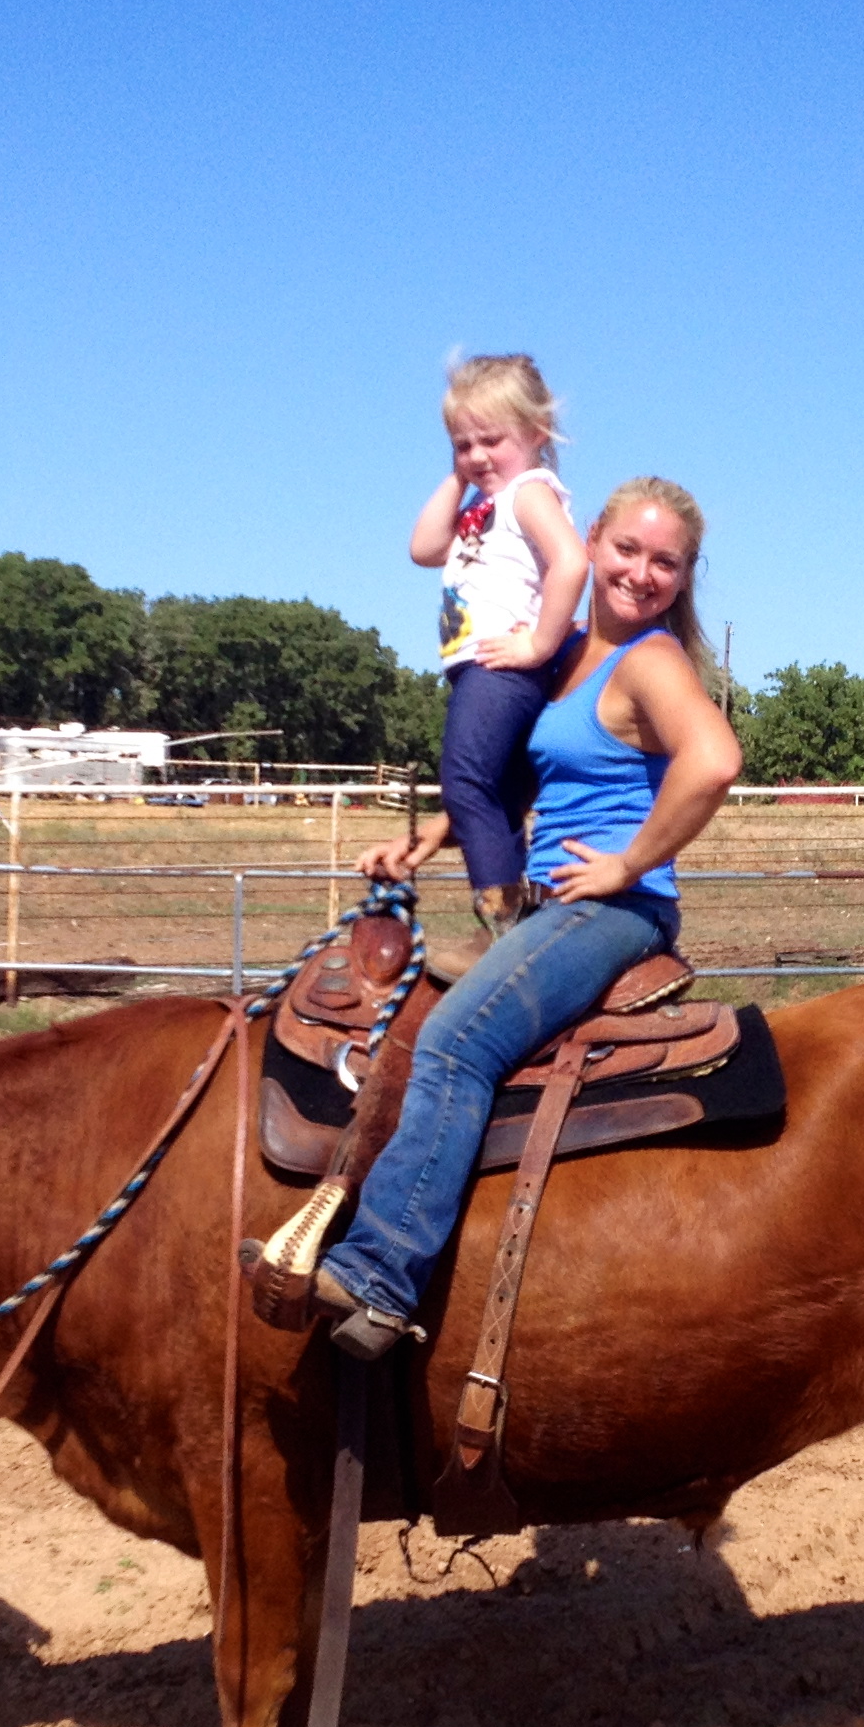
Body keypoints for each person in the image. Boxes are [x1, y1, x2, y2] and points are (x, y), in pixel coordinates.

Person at [310, 476, 743, 1358]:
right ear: (592, 541)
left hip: (612, 909)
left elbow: (714, 760)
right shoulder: (568, 653)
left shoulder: (649, 662)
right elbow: (520, 784)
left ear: (685, 577)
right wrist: (430, 840)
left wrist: (630, 860)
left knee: (460, 1042)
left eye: (666, 562)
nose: (641, 573)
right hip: (551, 905)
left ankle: (381, 1275)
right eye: (627, 550)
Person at [411, 354, 590, 950]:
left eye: (492, 439)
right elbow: (423, 547)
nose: (478, 455)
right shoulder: (483, 507)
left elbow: (572, 560)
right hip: (480, 668)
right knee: (501, 794)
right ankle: (516, 909)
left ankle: (504, 925)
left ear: (537, 435)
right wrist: (460, 478)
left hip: (502, 665)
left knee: (464, 784)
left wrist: (540, 640)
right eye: (463, 444)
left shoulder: (528, 493)